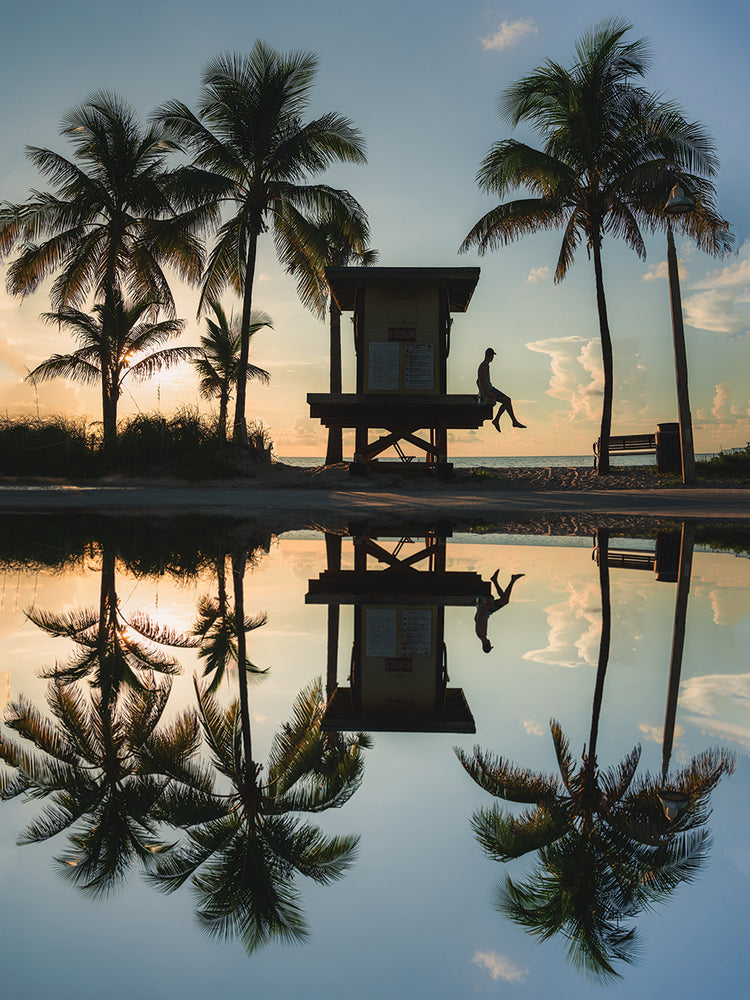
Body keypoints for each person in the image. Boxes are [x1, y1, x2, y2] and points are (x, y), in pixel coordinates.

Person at [474, 570, 525, 653]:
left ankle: (510, 580)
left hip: (487, 609)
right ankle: (501, 580)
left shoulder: (482, 635)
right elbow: (476, 619)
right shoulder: (482, 635)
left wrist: (485, 608)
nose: (490, 642)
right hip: (487, 611)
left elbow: (478, 619)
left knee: (505, 600)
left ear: (487, 644)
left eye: (489, 644)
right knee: (504, 600)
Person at [477, 347, 526, 432]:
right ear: (490, 356)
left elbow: (478, 381)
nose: (493, 358)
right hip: (490, 390)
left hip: (489, 389)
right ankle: (512, 421)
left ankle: (499, 420)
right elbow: (481, 381)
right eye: (492, 356)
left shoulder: (483, 365)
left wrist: (482, 391)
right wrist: (486, 393)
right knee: (507, 400)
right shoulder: (485, 366)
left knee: (506, 401)